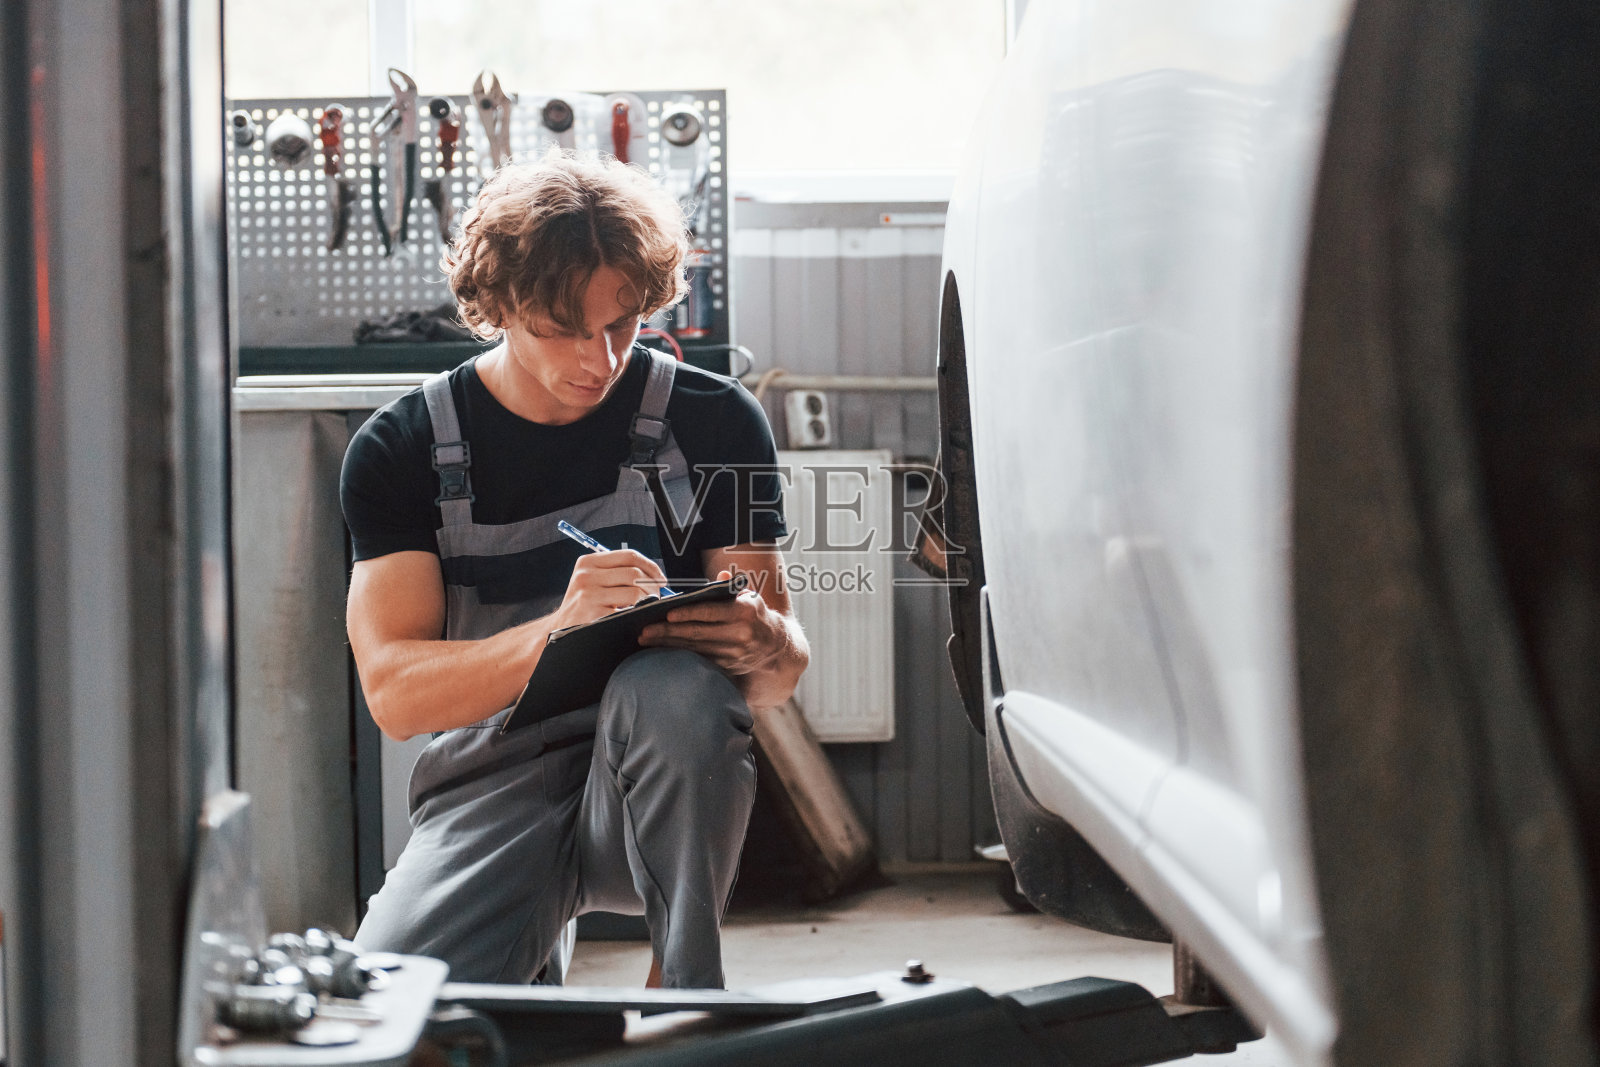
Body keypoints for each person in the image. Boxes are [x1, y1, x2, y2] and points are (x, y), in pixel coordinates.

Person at [341, 153, 808, 988]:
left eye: (623, 322)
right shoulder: (403, 447)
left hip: (659, 790)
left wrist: (765, 640)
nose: (602, 358)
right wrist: (559, 630)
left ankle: (685, 995)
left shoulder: (713, 422)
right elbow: (396, 693)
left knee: (678, 688)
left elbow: (775, 681)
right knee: (399, 1019)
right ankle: (527, 950)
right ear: (500, 305)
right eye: (565, 328)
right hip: (494, 784)